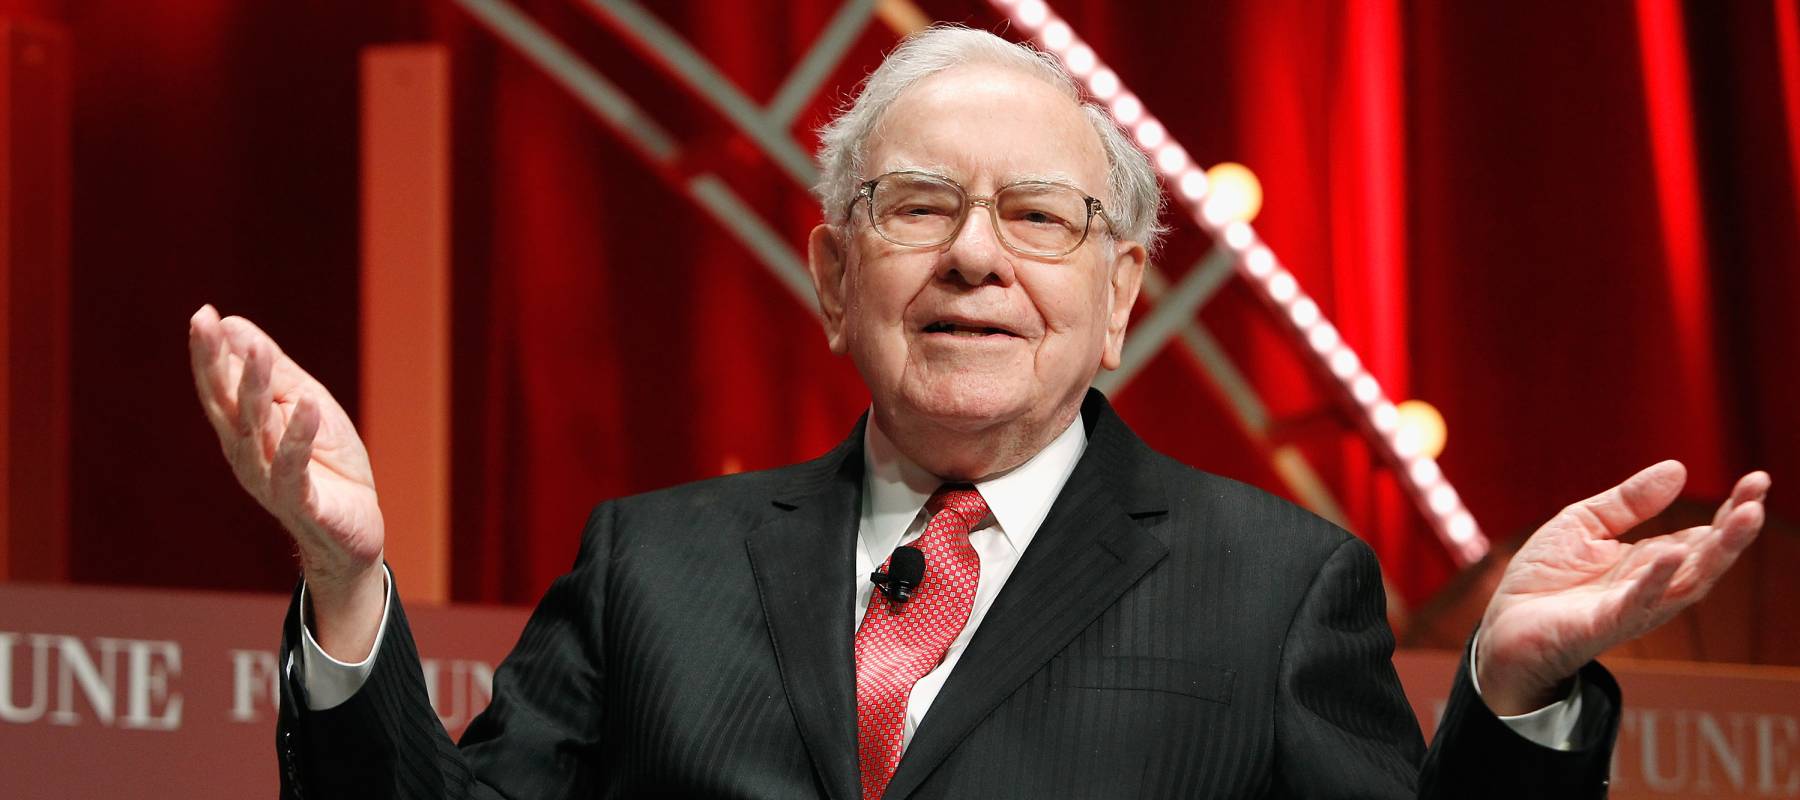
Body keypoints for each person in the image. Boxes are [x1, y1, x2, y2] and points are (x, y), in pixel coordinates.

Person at [187, 26, 1769, 799]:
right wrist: (345, 586)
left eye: (1040, 219)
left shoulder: (1274, 587)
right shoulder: (649, 569)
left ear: (1121, 297)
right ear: (828, 272)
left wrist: (1508, 695)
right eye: (917, 205)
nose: (972, 260)